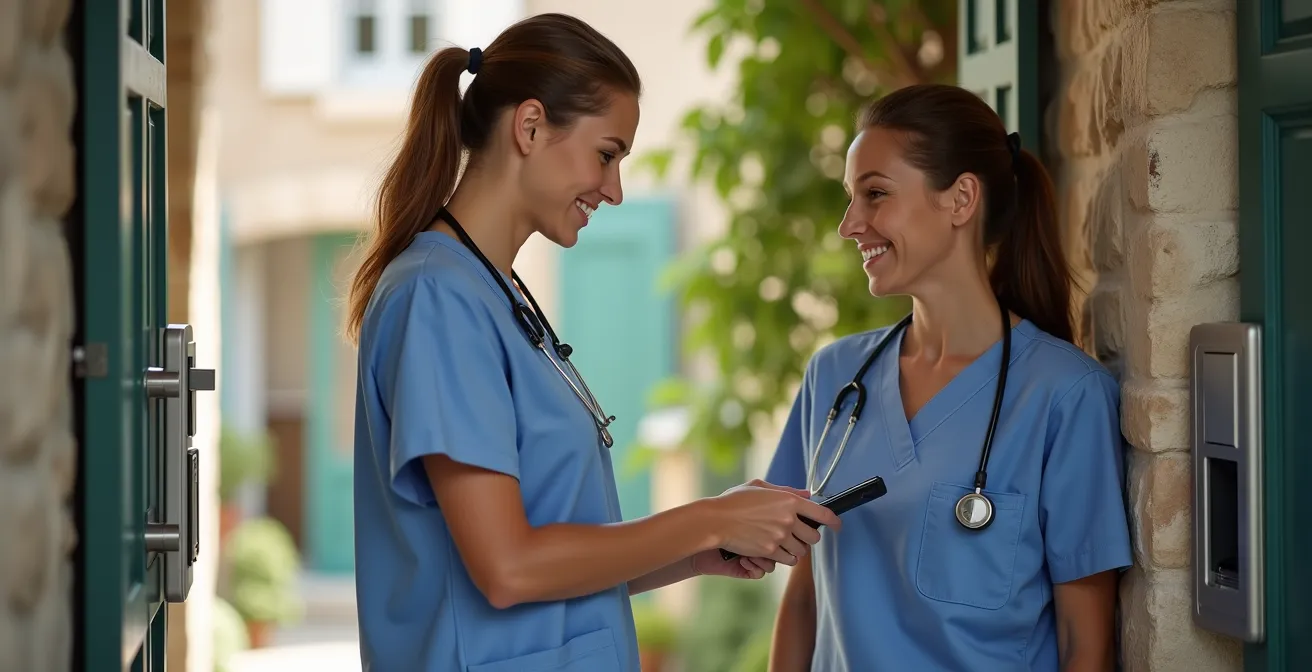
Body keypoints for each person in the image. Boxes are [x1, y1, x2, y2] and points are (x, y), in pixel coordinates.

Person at [345, 13, 842, 672]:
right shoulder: (438, 296)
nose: (614, 190)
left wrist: (694, 552)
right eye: (606, 154)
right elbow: (507, 569)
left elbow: (541, 567)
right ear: (529, 127)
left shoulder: (493, 294)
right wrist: (709, 520)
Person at [765, 84, 1133, 672]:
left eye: (875, 194)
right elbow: (806, 597)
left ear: (961, 199)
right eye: (850, 198)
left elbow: (1083, 644)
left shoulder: (1065, 397)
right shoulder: (834, 377)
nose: (849, 224)